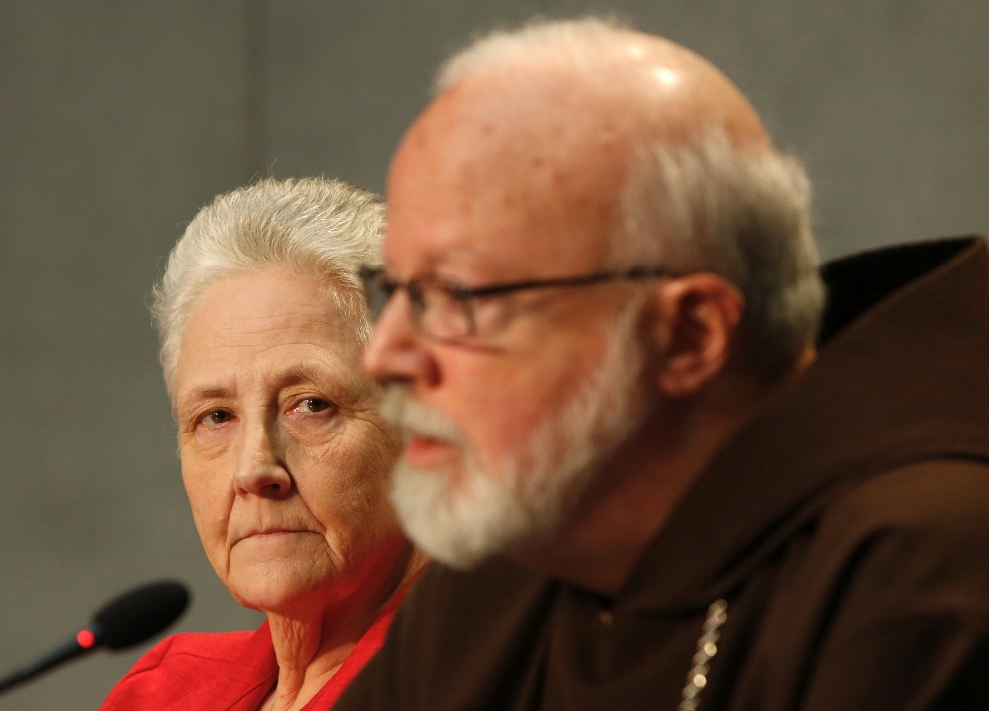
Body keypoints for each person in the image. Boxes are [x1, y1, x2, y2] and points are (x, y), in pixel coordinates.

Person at [334, 16, 989, 711]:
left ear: (687, 335)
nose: (384, 354)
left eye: (458, 294)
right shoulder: (494, 579)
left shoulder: (924, 575)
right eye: (398, 288)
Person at [103, 178, 426, 711]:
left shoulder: (503, 677)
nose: (253, 469)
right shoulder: (163, 694)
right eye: (216, 416)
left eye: (311, 405)